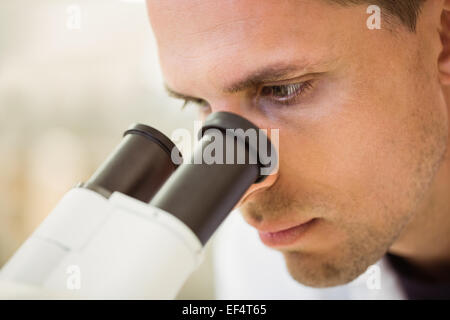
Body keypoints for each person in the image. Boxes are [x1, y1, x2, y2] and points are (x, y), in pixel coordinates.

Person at [145, 0, 450, 299]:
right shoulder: (257, 257)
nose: (238, 197)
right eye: (201, 104)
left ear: (444, 37)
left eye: (283, 89)